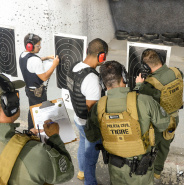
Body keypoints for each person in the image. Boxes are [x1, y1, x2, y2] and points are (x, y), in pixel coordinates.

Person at [84, 60, 170, 185]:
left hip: (116, 169)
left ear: (102, 83)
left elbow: (91, 137)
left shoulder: (98, 107)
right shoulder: (145, 101)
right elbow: (164, 125)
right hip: (142, 171)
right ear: (124, 77)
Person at [0, 74, 74, 184]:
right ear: (9, 104)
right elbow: (67, 172)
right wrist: (55, 137)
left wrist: (25, 138)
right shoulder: (37, 154)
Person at [134, 49, 184, 179]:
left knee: (150, 147)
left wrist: (139, 85)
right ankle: (157, 172)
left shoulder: (151, 84)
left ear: (145, 66)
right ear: (160, 59)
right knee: (165, 145)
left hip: (158, 122)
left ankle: (146, 174)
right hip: (174, 118)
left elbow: (139, 99)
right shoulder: (177, 72)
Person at [66, 38, 108, 185]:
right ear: (101, 56)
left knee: (82, 144)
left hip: (77, 119)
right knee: (91, 160)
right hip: (88, 125)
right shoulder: (92, 79)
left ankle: (81, 172)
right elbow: (92, 109)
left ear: (87, 51)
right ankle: (89, 182)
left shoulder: (74, 66)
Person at [19, 33, 59, 133]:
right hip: (38, 93)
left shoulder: (23, 55)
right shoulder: (34, 60)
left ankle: (30, 131)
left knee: (32, 110)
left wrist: (45, 57)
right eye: (38, 45)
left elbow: (33, 61)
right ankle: (41, 135)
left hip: (29, 90)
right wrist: (54, 65)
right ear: (30, 46)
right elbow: (44, 77)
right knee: (41, 115)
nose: (40, 47)